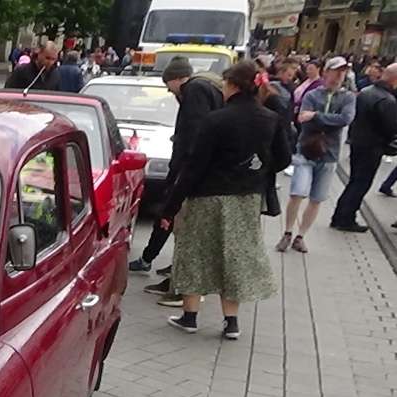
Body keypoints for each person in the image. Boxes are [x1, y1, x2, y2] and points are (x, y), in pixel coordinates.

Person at [160, 61, 291, 340]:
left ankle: (190, 316)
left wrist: (171, 206)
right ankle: (231, 322)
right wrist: (256, 170)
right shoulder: (270, 118)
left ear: (232, 85)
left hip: (208, 197)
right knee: (235, 256)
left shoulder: (215, 120)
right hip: (247, 198)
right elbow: (283, 158)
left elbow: (194, 166)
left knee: (195, 253)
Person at [130, 56, 224, 295]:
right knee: (173, 215)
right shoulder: (206, 87)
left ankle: (174, 276)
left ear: (177, 78)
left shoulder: (193, 90)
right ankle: (155, 260)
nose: (168, 91)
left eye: (167, 84)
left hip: (188, 167)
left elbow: (194, 130)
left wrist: (184, 156)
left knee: (172, 214)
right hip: (199, 167)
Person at [279, 56, 355, 253]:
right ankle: (287, 232)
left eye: (343, 72)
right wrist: (323, 119)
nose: (339, 75)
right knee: (298, 192)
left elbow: (345, 119)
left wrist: (316, 116)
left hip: (330, 154)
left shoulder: (348, 97)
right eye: (336, 71)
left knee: (317, 198)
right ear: (326, 72)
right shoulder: (313, 95)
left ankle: (300, 236)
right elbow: (303, 118)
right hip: (306, 150)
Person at [330, 63, 397, 231]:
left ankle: (339, 216)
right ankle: (346, 218)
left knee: (354, 181)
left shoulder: (366, 92)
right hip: (372, 147)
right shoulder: (387, 100)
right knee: (361, 184)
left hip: (358, 142)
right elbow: (390, 127)